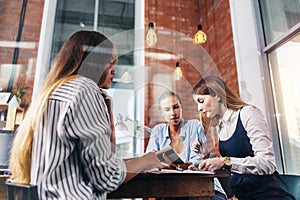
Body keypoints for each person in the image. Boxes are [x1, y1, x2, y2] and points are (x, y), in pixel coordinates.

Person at [8, 30, 162, 199]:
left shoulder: (53, 91)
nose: (114, 71)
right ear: (94, 62)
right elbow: (107, 178)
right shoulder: (84, 88)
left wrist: (108, 112)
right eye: (110, 63)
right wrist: (146, 160)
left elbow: (105, 159)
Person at [192, 75, 295, 200]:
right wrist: (207, 157)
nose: (199, 108)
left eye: (201, 101)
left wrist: (224, 161)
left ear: (217, 95)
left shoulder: (248, 113)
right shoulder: (222, 125)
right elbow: (232, 166)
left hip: (268, 195)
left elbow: (267, 163)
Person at [146, 91, 227, 200]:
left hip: (201, 185)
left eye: (176, 107)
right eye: (167, 109)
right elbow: (149, 161)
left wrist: (182, 166)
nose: (173, 113)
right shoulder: (158, 131)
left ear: (181, 108)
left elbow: (199, 160)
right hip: (170, 189)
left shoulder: (194, 126)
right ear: (162, 113)